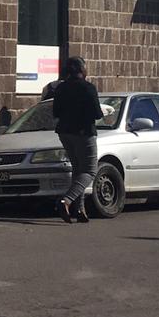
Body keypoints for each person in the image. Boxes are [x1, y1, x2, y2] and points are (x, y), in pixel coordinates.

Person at [51, 56, 102, 224]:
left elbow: (56, 112)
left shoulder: (61, 88)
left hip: (64, 132)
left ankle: (80, 210)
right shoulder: (88, 88)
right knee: (90, 171)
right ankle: (66, 200)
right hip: (84, 132)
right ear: (82, 69)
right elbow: (97, 113)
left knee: (78, 170)